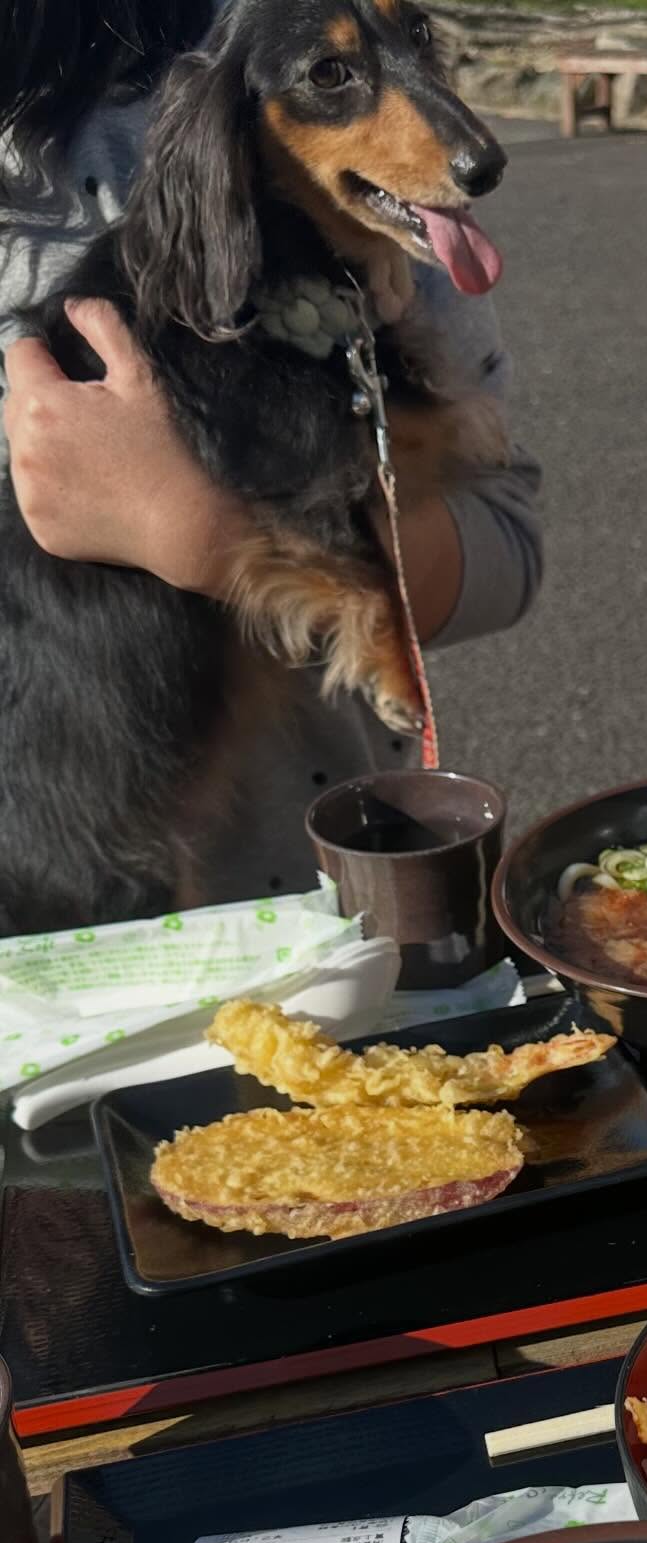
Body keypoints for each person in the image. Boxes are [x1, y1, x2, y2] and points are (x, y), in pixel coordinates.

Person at [0, 0, 542, 905]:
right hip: (54, 858)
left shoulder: (276, 67)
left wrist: (201, 533)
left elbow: (509, 540)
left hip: (310, 884)